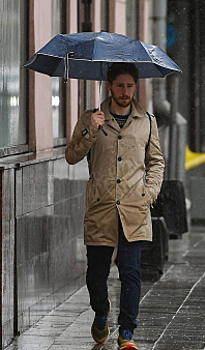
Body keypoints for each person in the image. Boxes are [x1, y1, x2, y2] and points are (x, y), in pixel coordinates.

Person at [65, 63, 165, 350]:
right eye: (119, 86)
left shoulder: (147, 120)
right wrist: (90, 132)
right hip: (101, 206)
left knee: (130, 269)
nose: (125, 91)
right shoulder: (90, 118)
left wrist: (151, 192)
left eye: (129, 86)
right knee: (96, 273)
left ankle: (127, 333)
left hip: (135, 207)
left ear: (136, 87)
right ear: (109, 86)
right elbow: (72, 156)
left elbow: (156, 161)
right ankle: (101, 311)